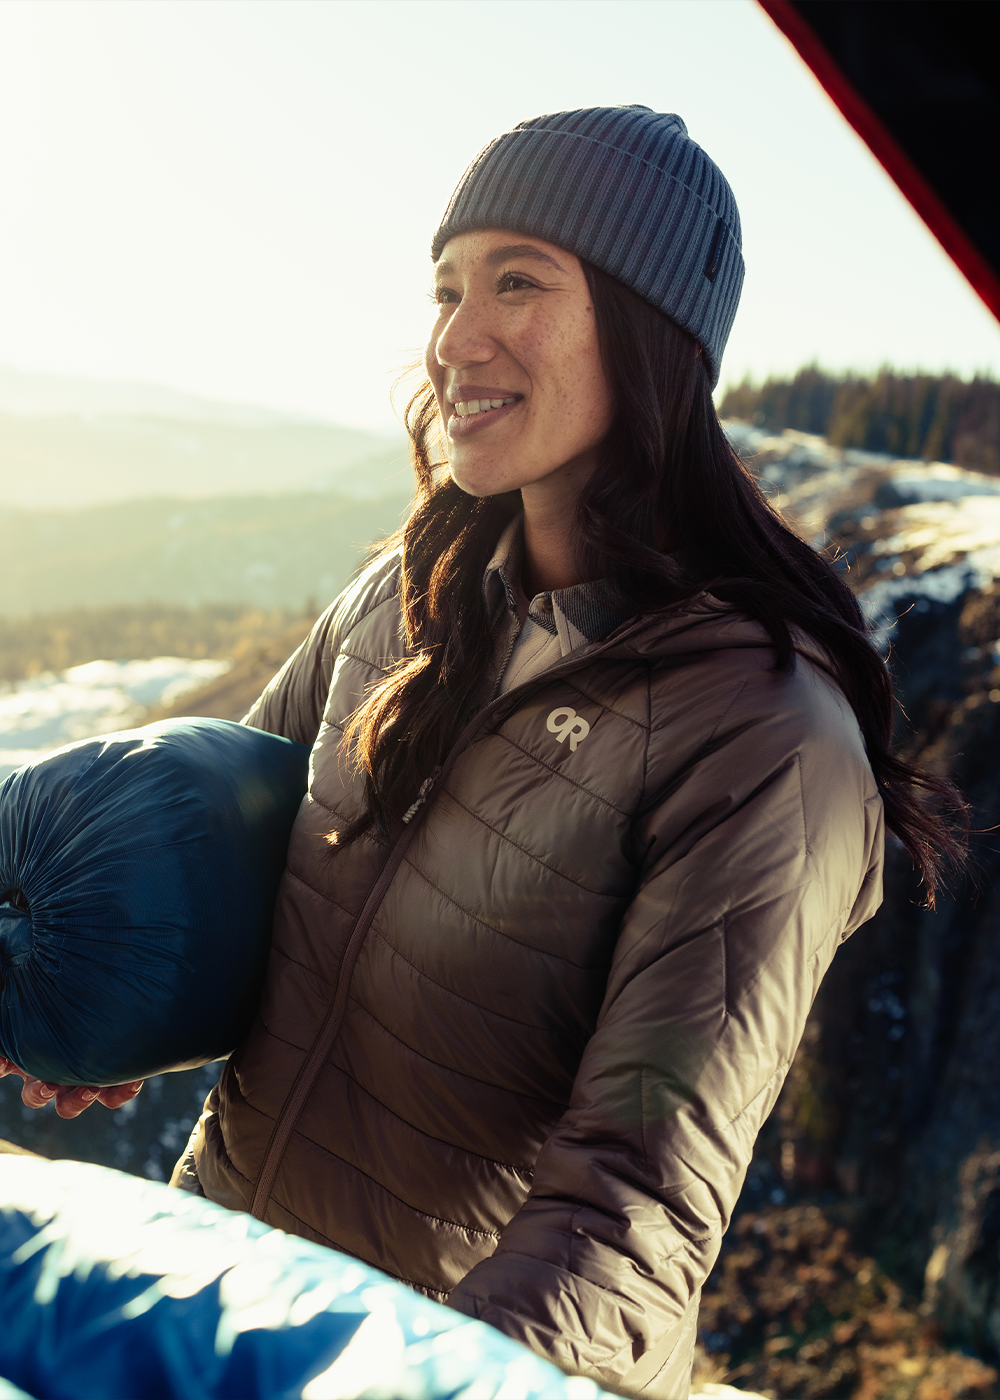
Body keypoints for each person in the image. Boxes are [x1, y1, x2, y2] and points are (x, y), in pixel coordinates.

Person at [4, 107, 964, 1397]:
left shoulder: (764, 740)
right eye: (447, 288)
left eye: (521, 281)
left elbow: (630, 1209)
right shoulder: (403, 601)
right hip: (229, 1315)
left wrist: (404, 1386)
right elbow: (222, 856)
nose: (457, 340)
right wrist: (110, 1009)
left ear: (650, 327)